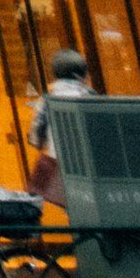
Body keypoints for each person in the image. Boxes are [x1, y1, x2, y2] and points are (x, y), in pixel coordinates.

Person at [28, 42, 93, 204]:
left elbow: (35, 138)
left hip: (60, 172)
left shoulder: (47, 99)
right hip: (91, 170)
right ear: (83, 73)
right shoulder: (91, 97)